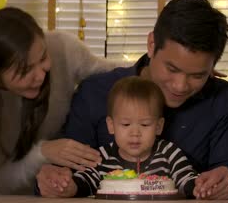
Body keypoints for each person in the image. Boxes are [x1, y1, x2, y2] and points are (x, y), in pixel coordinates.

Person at [37, 0, 228, 199]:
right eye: (172, 68)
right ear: (151, 45)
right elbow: (67, 172)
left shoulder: (223, 100)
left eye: (197, 75)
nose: (180, 85)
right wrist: (53, 179)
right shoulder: (95, 93)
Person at [0, 7, 116, 194]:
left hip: (58, 190)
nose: (40, 76)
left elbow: (112, 75)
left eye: (43, 57)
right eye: (24, 71)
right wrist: (43, 153)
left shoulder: (61, 47)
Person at [38, 76, 199, 198]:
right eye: (126, 125)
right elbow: (84, 181)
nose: (135, 133)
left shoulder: (170, 153)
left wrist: (199, 187)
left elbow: (186, 180)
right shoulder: (102, 157)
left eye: (144, 125)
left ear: (158, 126)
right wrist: (69, 187)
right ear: (111, 125)